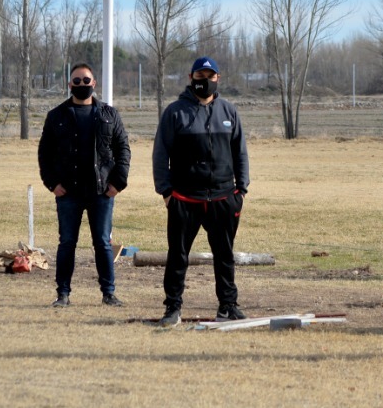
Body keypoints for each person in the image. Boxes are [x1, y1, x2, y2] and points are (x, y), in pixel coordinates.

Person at [153, 56, 250, 327]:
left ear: (218, 78)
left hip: (223, 197)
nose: (204, 81)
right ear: (190, 77)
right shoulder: (175, 112)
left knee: (225, 255)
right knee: (178, 255)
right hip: (184, 197)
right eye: (200, 76)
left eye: (210, 75)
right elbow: (160, 154)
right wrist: (166, 192)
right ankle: (172, 308)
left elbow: (240, 152)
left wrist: (241, 189)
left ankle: (228, 306)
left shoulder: (229, 112)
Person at [37, 62, 131, 307]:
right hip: (68, 192)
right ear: (69, 84)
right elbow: (44, 154)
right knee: (67, 242)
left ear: (94, 83)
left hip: (101, 191)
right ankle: (63, 294)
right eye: (76, 81)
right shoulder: (56, 116)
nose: (81, 85)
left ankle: (108, 294)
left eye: (85, 81)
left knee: (102, 242)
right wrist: (52, 184)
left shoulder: (109, 114)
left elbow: (123, 150)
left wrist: (117, 183)